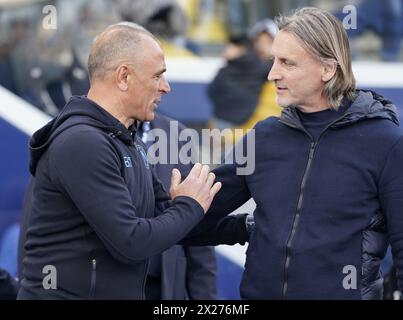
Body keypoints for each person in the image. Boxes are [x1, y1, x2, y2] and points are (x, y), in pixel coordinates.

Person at [187, 7, 403, 299]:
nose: (273, 73)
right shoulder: (265, 138)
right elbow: (193, 218)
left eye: (287, 62)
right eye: (273, 60)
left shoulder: (386, 142)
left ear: (328, 69)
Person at [17, 22, 228, 300]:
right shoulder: (82, 143)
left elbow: (168, 216)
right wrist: (189, 205)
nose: (166, 88)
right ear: (124, 77)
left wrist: (241, 227)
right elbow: (131, 241)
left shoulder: (126, 139)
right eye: (157, 76)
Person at [139, 114, 217, 300]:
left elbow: (197, 221)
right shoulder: (88, 134)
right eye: (156, 81)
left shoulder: (178, 134)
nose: (165, 87)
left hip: (162, 288)